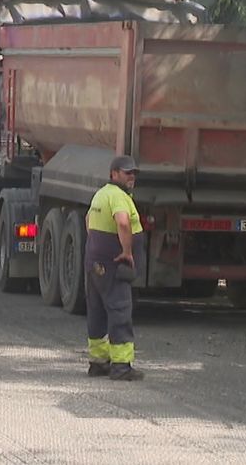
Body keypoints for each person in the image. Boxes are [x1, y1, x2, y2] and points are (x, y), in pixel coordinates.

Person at [85, 154, 146, 381]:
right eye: (127, 173)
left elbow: (87, 221)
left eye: (133, 173)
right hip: (114, 264)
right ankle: (121, 366)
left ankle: (98, 363)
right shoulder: (119, 197)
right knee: (119, 309)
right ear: (114, 174)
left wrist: (96, 247)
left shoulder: (100, 194)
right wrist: (127, 251)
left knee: (97, 311)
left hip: (95, 262)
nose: (131, 177)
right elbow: (122, 221)